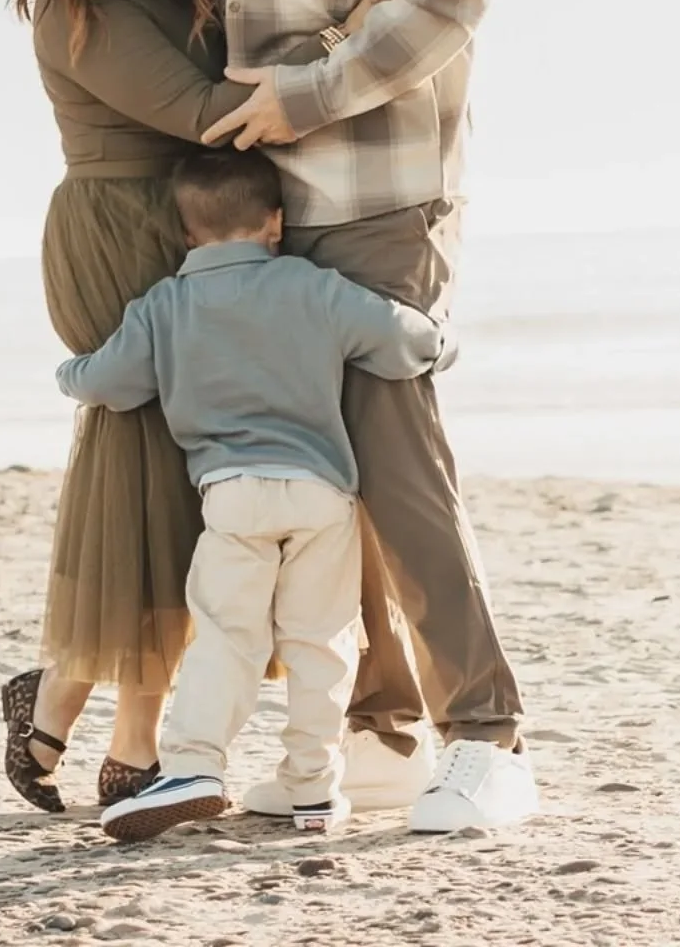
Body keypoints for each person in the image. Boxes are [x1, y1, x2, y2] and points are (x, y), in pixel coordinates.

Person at [192, 0, 539, 833]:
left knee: (397, 461)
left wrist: (310, 95)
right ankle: (384, 722)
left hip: (380, 190)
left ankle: (489, 738)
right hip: (267, 208)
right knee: (317, 470)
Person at [1, 0, 385, 814]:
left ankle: (61, 695)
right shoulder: (74, 5)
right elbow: (208, 113)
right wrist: (362, 65)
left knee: (180, 484)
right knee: (148, 473)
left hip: (191, 224)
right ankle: (126, 734)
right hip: (121, 228)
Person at [56, 147, 452, 843]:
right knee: (318, 642)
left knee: (226, 638)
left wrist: (69, 371)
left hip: (232, 496)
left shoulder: (164, 306)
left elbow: (107, 384)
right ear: (275, 223)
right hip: (321, 494)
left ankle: (195, 766)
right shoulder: (312, 287)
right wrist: (441, 344)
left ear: (186, 234)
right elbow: (399, 335)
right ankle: (312, 787)